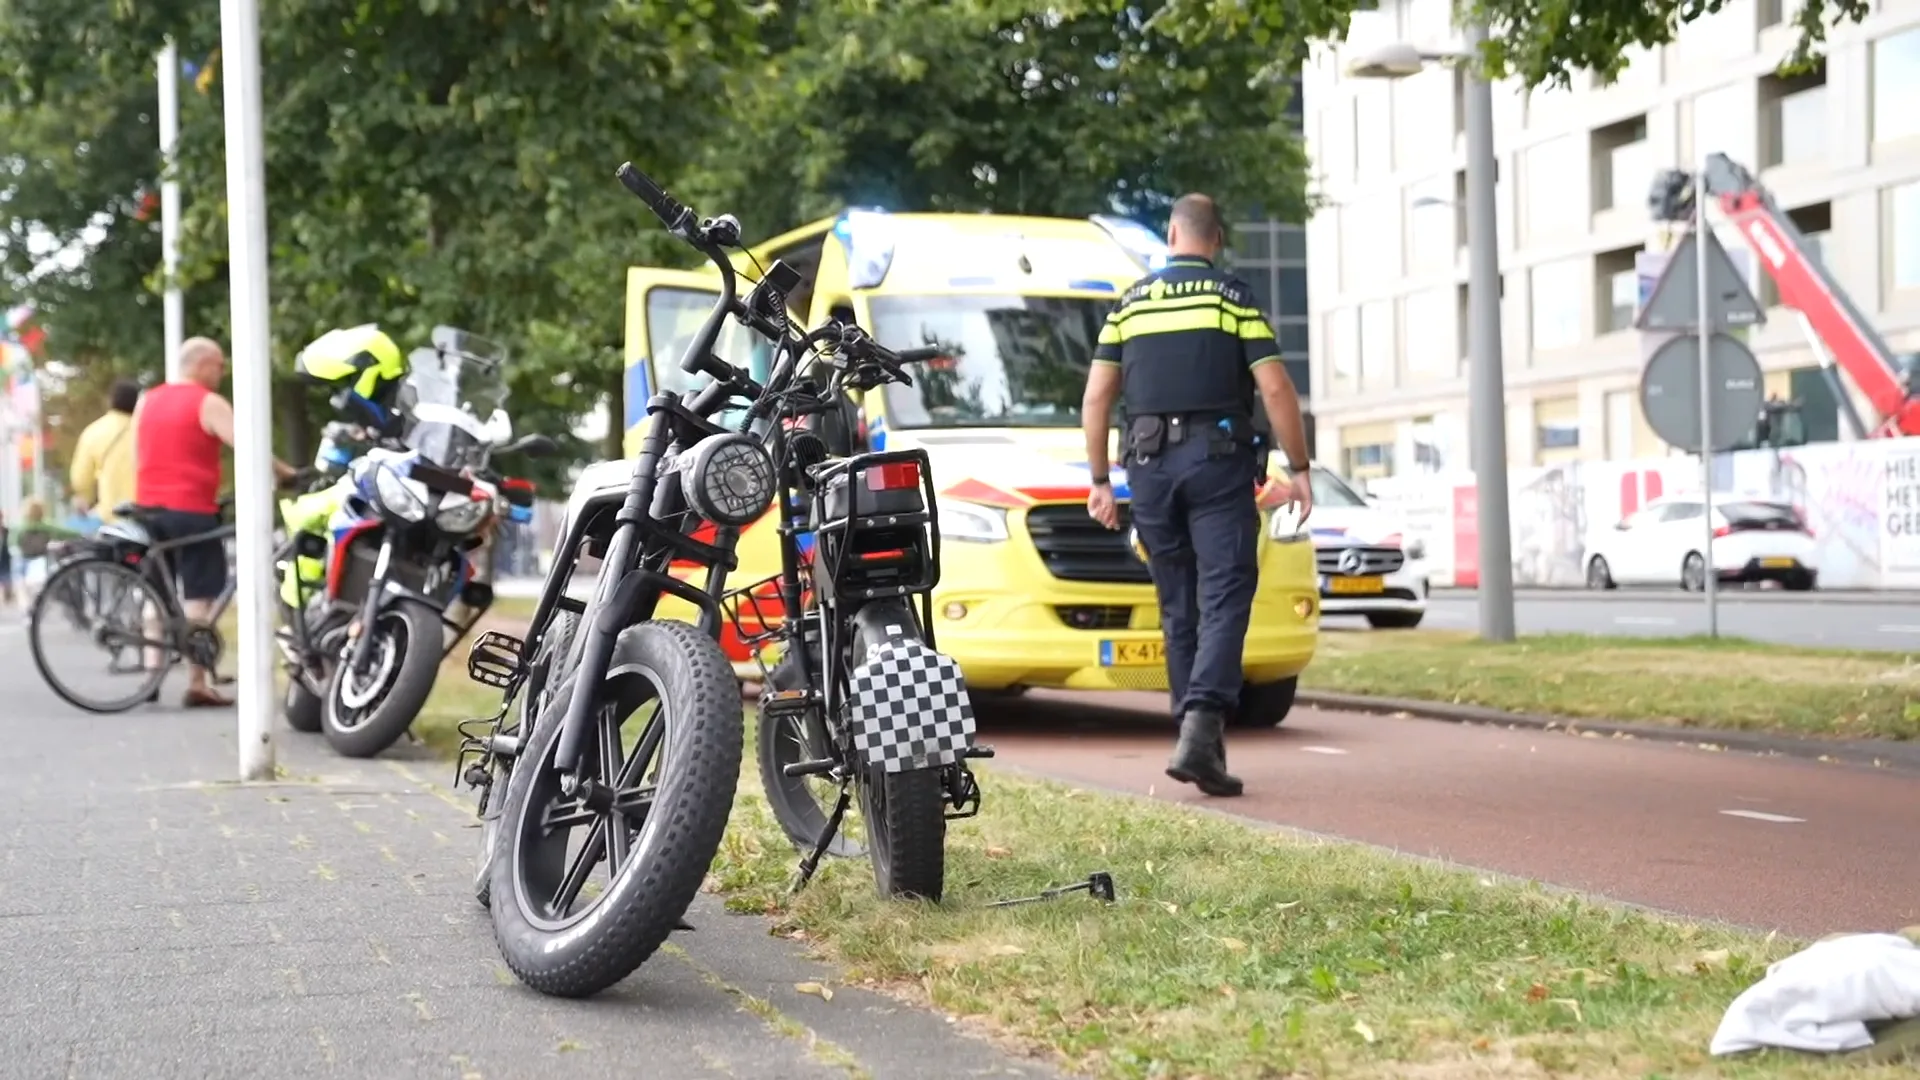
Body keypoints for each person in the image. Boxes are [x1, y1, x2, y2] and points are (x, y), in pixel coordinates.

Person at [1079, 193, 1314, 798]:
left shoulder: (1130, 304)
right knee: (1227, 592)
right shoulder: (1231, 298)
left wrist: (1101, 479)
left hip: (1149, 467)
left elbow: (1098, 397)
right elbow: (1275, 385)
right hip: (1215, 464)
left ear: (1172, 233)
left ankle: (1196, 739)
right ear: (1216, 239)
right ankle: (1203, 723)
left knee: (1178, 603)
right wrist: (1301, 464)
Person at [134, 337, 298, 707]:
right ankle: (197, 682)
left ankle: (150, 675)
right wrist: (284, 472)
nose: (222, 373)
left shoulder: (148, 401)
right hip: (190, 509)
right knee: (198, 595)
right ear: (204, 364)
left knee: (156, 592)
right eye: (220, 366)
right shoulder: (206, 402)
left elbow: (138, 452)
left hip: (148, 507)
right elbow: (248, 444)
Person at [70, 379, 141, 526]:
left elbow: (81, 479)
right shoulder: (146, 429)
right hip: (145, 514)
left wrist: (85, 498)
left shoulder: (94, 432)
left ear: (110, 401)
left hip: (110, 515)